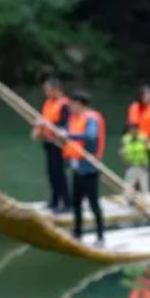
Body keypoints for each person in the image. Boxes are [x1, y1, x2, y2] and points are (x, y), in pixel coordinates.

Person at [62, 90, 106, 246]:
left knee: (93, 202)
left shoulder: (91, 118)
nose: (69, 107)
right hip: (76, 166)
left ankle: (100, 235)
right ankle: (77, 232)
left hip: (89, 167)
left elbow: (90, 136)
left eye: (72, 104)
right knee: (76, 201)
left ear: (80, 105)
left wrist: (70, 136)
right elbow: (65, 133)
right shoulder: (73, 118)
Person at [32, 77, 71, 213]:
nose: (46, 92)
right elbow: (45, 120)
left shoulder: (65, 105)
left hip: (59, 144)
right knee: (51, 173)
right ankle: (54, 201)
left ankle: (66, 203)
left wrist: (47, 126)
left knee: (60, 174)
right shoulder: (48, 103)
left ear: (56, 90)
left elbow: (65, 126)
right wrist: (38, 130)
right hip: (49, 142)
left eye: (48, 90)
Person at [127, 85, 150, 196]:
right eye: (146, 95)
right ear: (140, 96)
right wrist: (144, 140)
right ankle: (135, 193)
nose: (149, 97)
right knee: (136, 169)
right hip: (138, 141)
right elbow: (133, 125)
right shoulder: (135, 107)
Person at [120, 124, 150, 205]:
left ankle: (145, 201)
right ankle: (129, 200)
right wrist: (125, 161)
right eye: (131, 129)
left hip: (142, 165)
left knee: (144, 184)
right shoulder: (126, 139)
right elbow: (123, 152)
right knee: (129, 184)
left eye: (134, 129)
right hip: (131, 165)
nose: (133, 131)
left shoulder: (143, 138)